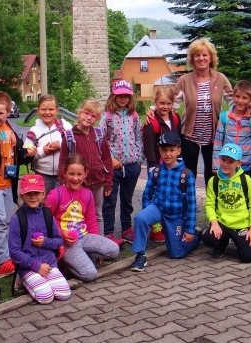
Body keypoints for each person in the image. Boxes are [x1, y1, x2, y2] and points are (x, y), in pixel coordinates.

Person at [147, 39, 233, 185]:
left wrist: (250, 110)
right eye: (197, 55)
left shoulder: (221, 79)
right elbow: (172, 103)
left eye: (204, 55)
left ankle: (211, 205)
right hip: (189, 136)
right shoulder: (185, 80)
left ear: (211, 58)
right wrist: (153, 109)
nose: (201, 58)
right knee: (188, 173)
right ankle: (189, 203)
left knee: (212, 174)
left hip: (213, 136)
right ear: (192, 59)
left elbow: (234, 102)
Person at [130, 132, 199, 272]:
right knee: (141, 218)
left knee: (176, 254)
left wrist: (190, 230)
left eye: (172, 150)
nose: (168, 154)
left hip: (176, 215)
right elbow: (147, 195)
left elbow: (191, 204)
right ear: (160, 151)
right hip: (158, 208)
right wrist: (150, 218)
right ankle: (140, 255)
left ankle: (196, 236)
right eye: (164, 150)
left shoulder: (186, 174)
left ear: (178, 151)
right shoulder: (156, 171)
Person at [45, 154, 119, 282]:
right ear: (64, 173)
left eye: (79, 174)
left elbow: (91, 221)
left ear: (85, 174)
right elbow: (45, 219)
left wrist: (96, 243)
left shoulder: (87, 193)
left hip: (84, 237)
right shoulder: (55, 195)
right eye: (71, 174)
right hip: (67, 243)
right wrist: (62, 233)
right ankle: (66, 264)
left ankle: (83, 257)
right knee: (90, 274)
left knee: (113, 250)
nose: (75, 178)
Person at [0, 91, 30, 278]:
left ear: (9, 112)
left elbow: (18, 155)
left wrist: (28, 154)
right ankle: (2, 260)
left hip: (9, 183)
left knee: (8, 221)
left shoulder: (12, 130)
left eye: (0, 113)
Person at [9, 174, 70, 304]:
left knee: (64, 294)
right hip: (28, 267)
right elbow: (14, 252)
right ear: (22, 195)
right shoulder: (17, 219)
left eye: (36, 193)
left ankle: (41, 281)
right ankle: (22, 280)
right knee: (45, 297)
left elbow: (59, 240)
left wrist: (45, 242)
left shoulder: (47, 214)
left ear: (43, 194)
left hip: (49, 265)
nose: (33, 197)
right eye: (28, 193)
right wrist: (36, 267)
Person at [58, 99, 114, 229]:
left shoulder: (99, 135)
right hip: (78, 183)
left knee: (97, 214)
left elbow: (106, 159)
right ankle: (79, 242)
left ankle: (99, 244)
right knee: (77, 214)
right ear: (79, 112)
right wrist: (63, 183)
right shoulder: (69, 136)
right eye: (86, 113)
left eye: (93, 116)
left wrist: (108, 182)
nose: (89, 118)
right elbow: (62, 162)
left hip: (98, 182)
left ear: (97, 119)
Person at [101, 79, 144, 245]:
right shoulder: (107, 117)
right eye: (120, 95)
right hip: (113, 167)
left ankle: (126, 228)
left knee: (127, 199)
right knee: (110, 200)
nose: (123, 98)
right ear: (114, 96)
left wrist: (139, 160)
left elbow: (138, 138)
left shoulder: (134, 116)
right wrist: (110, 159)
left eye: (126, 95)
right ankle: (108, 232)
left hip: (132, 165)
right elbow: (101, 140)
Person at [202, 143, 251, 263]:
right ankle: (222, 243)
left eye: (231, 161)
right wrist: (214, 223)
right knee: (208, 238)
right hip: (222, 223)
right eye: (223, 160)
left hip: (241, 225)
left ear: (239, 163)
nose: (225, 164)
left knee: (249, 257)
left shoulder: (246, 179)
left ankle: (237, 241)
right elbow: (209, 205)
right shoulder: (214, 181)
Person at [142, 85, 181, 243]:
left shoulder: (175, 118)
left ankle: (167, 226)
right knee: (155, 196)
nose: (165, 107)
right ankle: (155, 228)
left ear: (172, 104)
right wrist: (152, 166)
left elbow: (178, 139)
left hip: (173, 164)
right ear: (155, 103)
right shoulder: (151, 122)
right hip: (158, 166)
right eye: (161, 103)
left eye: (168, 103)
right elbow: (149, 146)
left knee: (170, 195)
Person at [212, 80, 251, 184]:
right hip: (229, 166)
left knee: (246, 197)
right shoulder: (225, 117)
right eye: (237, 96)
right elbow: (218, 142)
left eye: (244, 98)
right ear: (233, 96)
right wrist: (216, 166)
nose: (240, 101)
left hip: (248, 167)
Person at [24, 94, 72, 195]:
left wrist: (61, 144)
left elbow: (75, 141)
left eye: (51, 109)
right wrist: (42, 151)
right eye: (43, 109)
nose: (47, 113)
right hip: (42, 174)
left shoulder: (65, 126)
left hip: (64, 173)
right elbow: (26, 154)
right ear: (37, 111)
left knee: (62, 202)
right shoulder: (33, 131)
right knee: (45, 202)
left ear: (57, 111)